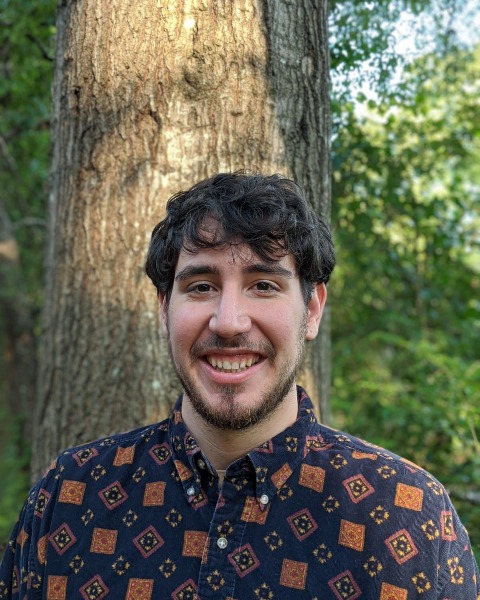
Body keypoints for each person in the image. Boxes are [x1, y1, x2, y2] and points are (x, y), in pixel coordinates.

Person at [0, 172, 478, 599]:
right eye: (201, 286)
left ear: (312, 310)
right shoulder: (68, 497)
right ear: (164, 309)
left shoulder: (407, 517)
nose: (228, 322)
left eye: (263, 285)